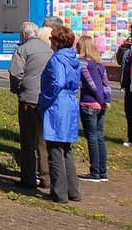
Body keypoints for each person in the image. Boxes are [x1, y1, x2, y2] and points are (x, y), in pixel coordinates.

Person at [38, 26, 81, 203]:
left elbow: (57, 81)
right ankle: (73, 190)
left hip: (57, 103)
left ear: (57, 41)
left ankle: (59, 192)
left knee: (55, 148)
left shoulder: (57, 59)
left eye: (52, 40)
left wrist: (45, 98)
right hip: (70, 102)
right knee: (66, 149)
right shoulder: (73, 58)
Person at [9, 22, 52, 189]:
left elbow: (15, 73)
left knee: (28, 140)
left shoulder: (22, 49)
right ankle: (46, 177)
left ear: (24, 35)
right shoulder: (48, 49)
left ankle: (28, 178)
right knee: (43, 140)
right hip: (46, 99)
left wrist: (17, 89)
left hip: (28, 98)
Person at [77, 36, 111, 182]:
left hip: (89, 103)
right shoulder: (99, 65)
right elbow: (106, 85)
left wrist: (100, 99)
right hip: (101, 105)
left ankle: (95, 172)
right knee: (99, 136)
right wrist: (106, 100)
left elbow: (91, 84)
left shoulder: (83, 64)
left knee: (92, 137)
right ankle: (102, 171)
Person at [117, 21, 132, 147]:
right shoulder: (130, 48)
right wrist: (123, 47)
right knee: (130, 112)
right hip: (129, 84)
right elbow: (120, 61)